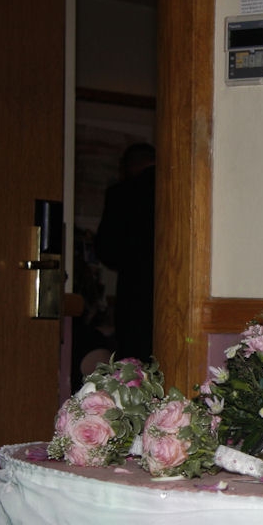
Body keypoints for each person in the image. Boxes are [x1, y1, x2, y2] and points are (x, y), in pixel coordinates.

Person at [95, 142, 156, 361]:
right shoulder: (176, 189)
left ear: (128, 166)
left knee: (134, 358)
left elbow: (107, 251)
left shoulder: (121, 194)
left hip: (134, 293)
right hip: (173, 291)